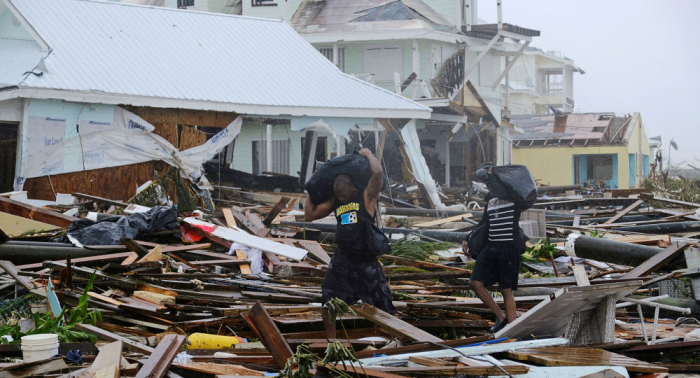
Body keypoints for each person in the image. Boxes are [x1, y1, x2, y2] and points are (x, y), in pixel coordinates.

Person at [304, 148, 396, 339]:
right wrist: (312, 188)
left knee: (384, 305)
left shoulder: (367, 195)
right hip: (343, 259)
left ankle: (393, 338)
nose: (341, 199)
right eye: (338, 196)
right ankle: (332, 341)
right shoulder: (336, 200)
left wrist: (368, 154)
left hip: (365, 260)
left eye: (343, 195)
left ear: (351, 188)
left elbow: (377, 173)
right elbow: (310, 215)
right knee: (328, 300)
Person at [462, 164, 527, 334]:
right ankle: (500, 316)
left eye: (491, 185)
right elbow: (484, 223)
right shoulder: (489, 202)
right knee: (475, 283)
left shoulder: (514, 199)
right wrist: (467, 238)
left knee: (506, 290)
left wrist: (492, 174)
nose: (489, 188)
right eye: (487, 186)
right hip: (491, 248)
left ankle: (511, 330)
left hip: (508, 249)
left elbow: (524, 193)